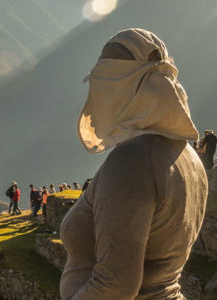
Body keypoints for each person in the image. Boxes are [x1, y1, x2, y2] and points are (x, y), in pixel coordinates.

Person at [62, 28, 207, 299]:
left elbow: (115, 287)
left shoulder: (132, 161)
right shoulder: (188, 156)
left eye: (104, 82)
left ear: (121, 86)